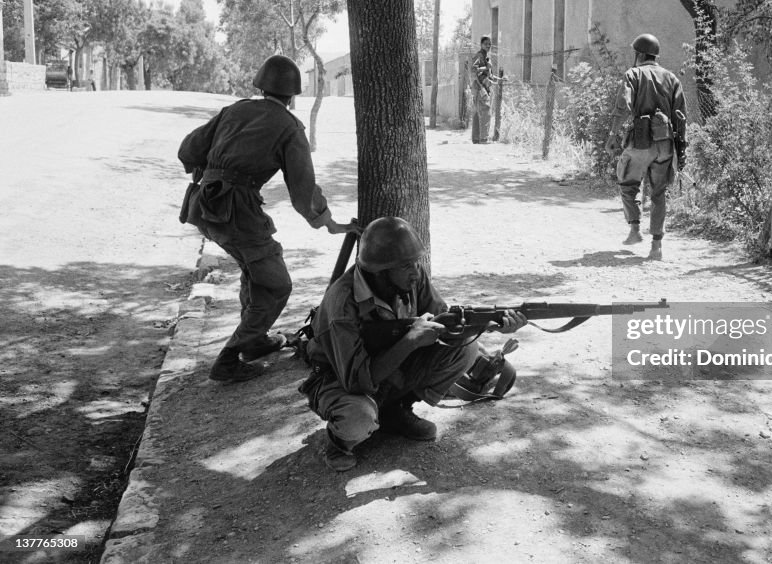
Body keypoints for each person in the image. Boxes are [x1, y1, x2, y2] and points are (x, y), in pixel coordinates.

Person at [178, 54, 357, 383]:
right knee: (276, 284)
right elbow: (303, 190)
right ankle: (230, 358)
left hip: (205, 208)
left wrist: (212, 172)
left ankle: (255, 339)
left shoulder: (235, 109)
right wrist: (330, 223)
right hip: (238, 213)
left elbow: (188, 149)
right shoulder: (289, 127)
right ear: (293, 96)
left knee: (254, 269)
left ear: (261, 86)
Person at [299, 216, 527, 472]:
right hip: (337, 379)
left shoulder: (410, 278)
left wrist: (488, 325)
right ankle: (339, 442)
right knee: (357, 419)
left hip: (386, 367)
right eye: (407, 265)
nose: (416, 271)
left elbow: (448, 327)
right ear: (381, 271)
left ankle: (395, 411)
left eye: (416, 262)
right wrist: (410, 340)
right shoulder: (342, 305)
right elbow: (356, 380)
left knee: (465, 349)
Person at [604, 33, 687, 261]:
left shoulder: (633, 74)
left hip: (640, 142)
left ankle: (634, 229)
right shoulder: (672, 79)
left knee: (628, 182)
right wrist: (680, 151)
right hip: (665, 143)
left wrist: (613, 133)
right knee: (659, 193)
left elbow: (623, 105)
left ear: (639, 54)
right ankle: (656, 247)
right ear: (655, 55)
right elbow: (681, 117)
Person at [470, 35, 498, 144]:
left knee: (478, 113)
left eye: (490, 44)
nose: (488, 46)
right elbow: (473, 69)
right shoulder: (480, 55)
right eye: (486, 44)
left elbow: (489, 75)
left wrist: (500, 79)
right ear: (481, 45)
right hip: (480, 88)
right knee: (486, 112)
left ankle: (476, 139)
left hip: (481, 88)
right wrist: (487, 67)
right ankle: (484, 139)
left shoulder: (486, 57)